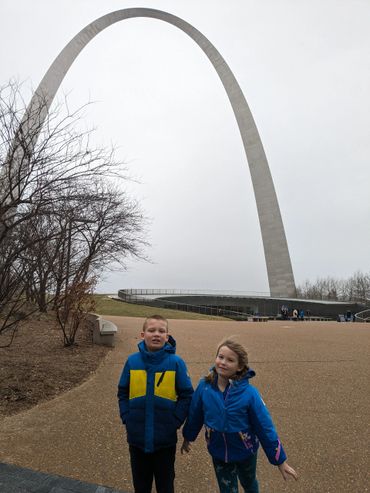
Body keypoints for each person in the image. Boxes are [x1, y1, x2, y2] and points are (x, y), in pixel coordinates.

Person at [181, 338, 298, 492]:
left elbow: (265, 427)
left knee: (249, 483)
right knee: (227, 488)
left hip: (246, 452)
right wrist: (188, 436)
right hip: (218, 451)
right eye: (220, 357)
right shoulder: (204, 387)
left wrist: (279, 460)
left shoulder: (250, 394)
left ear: (240, 366)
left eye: (230, 360)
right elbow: (195, 413)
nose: (223, 362)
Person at [118, 315, 193, 493]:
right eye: (151, 330)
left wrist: (175, 421)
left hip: (164, 440)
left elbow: (187, 395)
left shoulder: (176, 363)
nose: (156, 334)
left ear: (167, 336)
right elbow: (123, 392)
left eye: (161, 331)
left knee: (165, 484)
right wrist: (126, 417)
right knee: (141, 484)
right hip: (137, 437)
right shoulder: (132, 361)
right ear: (142, 334)